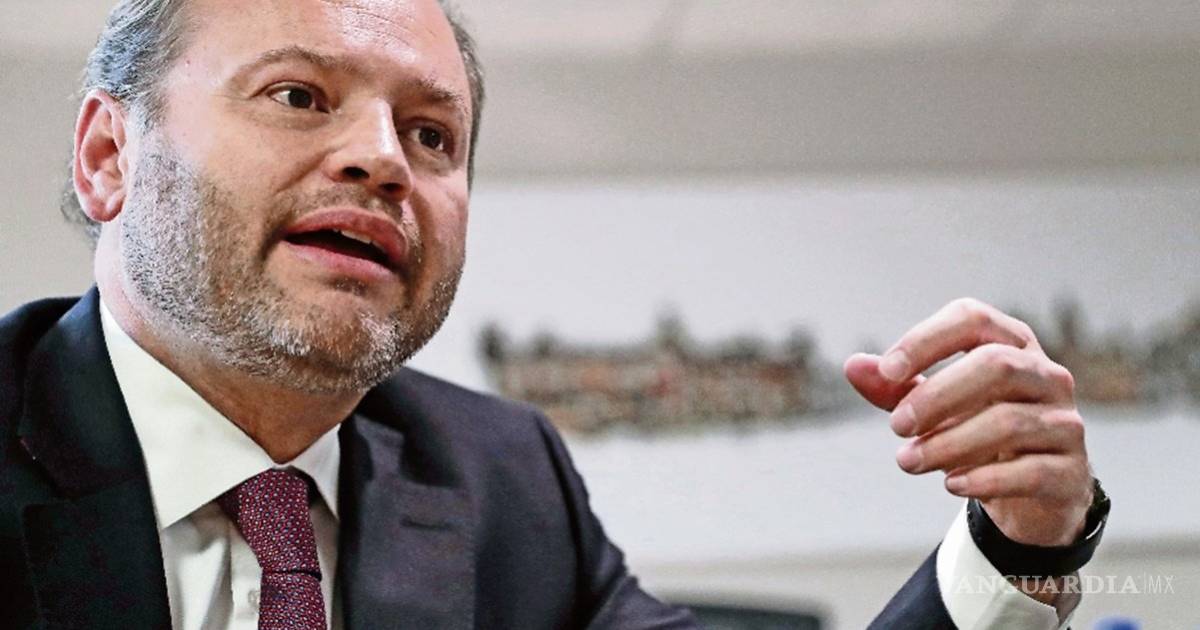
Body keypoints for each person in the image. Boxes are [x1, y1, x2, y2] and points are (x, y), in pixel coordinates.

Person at [0, 0, 1107, 628]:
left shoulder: (500, 476)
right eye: (299, 96)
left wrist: (1018, 542)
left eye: (433, 135)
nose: (384, 160)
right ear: (109, 156)